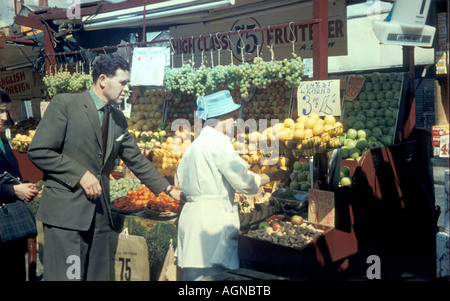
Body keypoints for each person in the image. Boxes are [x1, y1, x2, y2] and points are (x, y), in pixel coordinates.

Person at [28, 54, 183, 281]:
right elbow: (39, 151)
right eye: (123, 82)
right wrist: (80, 174)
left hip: (99, 216)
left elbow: (137, 160)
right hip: (67, 219)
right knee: (69, 277)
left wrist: (170, 190)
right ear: (103, 80)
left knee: (97, 276)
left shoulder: (118, 118)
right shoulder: (65, 104)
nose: (127, 89)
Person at [175, 90, 290, 281]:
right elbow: (244, 181)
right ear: (219, 117)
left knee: (194, 278)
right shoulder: (218, 142)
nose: (236, 122)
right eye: (232, 117)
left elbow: (181, 180)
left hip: (192, 220)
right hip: (211, 225)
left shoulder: (196, 144)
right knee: (214, 278)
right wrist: (274, 175)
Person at [0, 89, 39, 280]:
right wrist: (13, 190)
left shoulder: (3, 140)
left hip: (11, 231)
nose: (4, 117)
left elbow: (9, 174)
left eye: (6, 111)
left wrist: (24, 184)